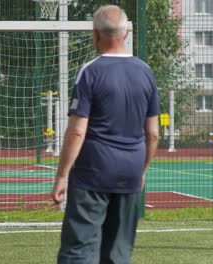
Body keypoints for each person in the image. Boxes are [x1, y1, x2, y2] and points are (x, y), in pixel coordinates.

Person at [51, 5, 159, 264]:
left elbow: (77, 131)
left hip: (94, 173)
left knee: (78, 251)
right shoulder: (146, 72)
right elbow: (153, 133)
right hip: (131, 170)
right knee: (118, 253)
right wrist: (142, 170)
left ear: (95, 34)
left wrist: (62, 175)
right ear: (124, 34)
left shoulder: (90, 71)